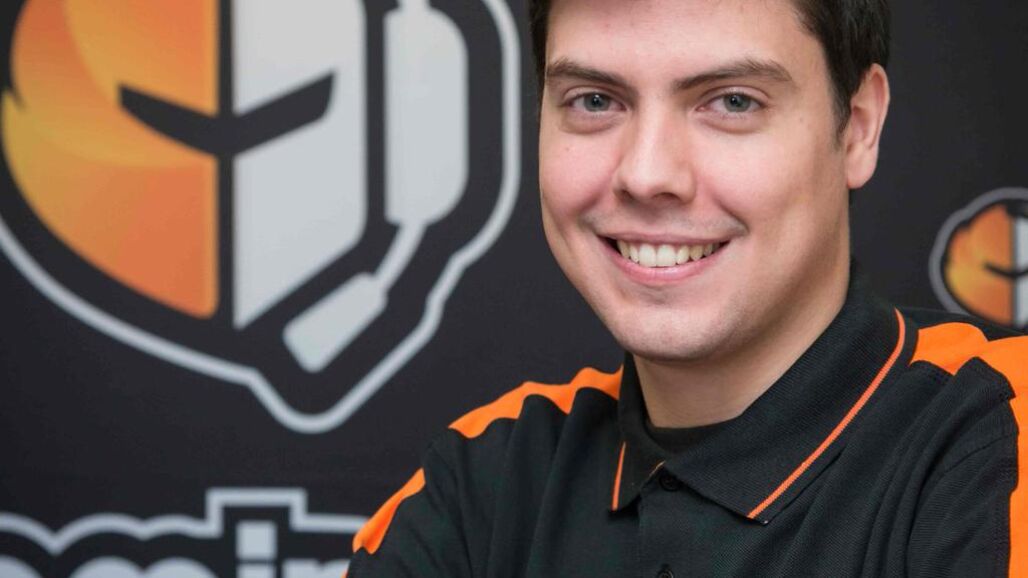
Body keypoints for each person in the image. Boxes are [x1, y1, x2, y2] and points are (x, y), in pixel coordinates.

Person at [347, 0, 1028, 575]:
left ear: (858, 125)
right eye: (594, 100)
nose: (647, 175)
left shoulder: (994, 439)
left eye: (732, 101)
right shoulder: (482, 481)